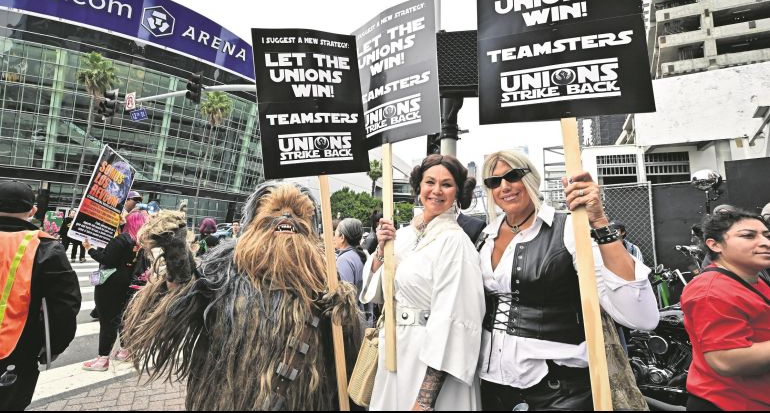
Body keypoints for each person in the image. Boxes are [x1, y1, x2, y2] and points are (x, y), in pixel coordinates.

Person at [121, 183, 362, 410]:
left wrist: (343, 310)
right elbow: (178, 307)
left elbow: (345, 356)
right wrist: (177, 260)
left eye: (299, 213)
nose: (287, 217)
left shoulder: (325, 282)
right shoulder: (225, 268)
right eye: (276, 210)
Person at [477, 150, 659, 410]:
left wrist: (598, 221)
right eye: (494, 182)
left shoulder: (570, 229)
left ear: (531, 178)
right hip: (492, 386)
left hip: (560, 392)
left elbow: (641, 317)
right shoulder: (484, 238)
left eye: (512, 176)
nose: (504, 186)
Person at [362, 154, 485, 411]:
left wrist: (425, 400)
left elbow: (455, 320)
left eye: (447, 184)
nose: (436, 191)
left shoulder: (456, 243)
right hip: (396, 353)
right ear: (419, 187)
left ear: (458, 192)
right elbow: (377, 294)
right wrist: (382, 251)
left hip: (428, 363)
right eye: (430, 182)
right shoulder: (403, 235)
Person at [0, 180, 81, 410]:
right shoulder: (45, 247)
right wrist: (52, 348)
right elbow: (65, 307)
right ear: (33, 210)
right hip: (17, 351)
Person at [681, 208, 770, 411]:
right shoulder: (711, 291)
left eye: (767, 235)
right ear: (715, 244)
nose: (765, 242)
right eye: (748, 236)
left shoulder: (752, 278)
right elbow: (727, 360)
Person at [81, 211, 149, 371]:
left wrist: (90, 249)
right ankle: (126, 351)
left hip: (110, 283)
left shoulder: (121, 239)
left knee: (107, 320)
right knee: (123, 317)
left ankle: (102, 359)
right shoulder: (140, 243)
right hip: (128, 282)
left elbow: (106, 259)